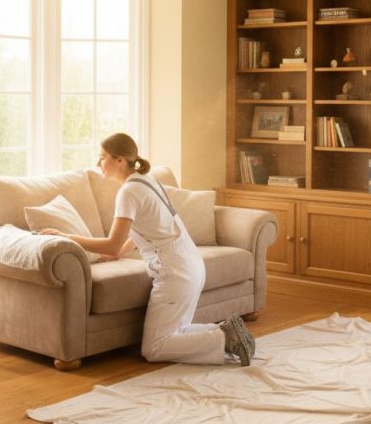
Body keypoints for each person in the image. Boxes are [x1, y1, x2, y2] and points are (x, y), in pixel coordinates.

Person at [38, 133, 256, 365]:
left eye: (102, 158)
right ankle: (225, 331)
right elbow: (147, 226)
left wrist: (66, 237)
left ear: (120, 160)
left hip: (174, 272)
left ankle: (224, 339)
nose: (98, 164)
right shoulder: (146, 180)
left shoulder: (129, 192)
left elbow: (111, 241)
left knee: (155, 348)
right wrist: (119, 252)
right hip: (190, 265)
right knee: (176, 330)